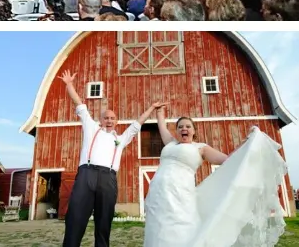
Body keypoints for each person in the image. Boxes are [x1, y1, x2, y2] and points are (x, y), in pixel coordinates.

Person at [144, 109, 287, 246]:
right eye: (180, 127)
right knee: (156, 230)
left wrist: (247, 142)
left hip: (180, 195)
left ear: (194, 131)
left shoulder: (201, 148)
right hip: (158, 195)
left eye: (188, 126)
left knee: (179, 230)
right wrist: (159, 111)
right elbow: (162, 126)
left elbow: (229, 159)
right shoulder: (171, 143)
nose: (183, 129)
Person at [59, 70, 163, 247]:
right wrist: (69, 84)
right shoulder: (91, 128)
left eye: (112, 118)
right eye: (106, 117)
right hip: (86, 175)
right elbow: (79, 103)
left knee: (104, 221)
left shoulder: (120, 139)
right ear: (100, 120)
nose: (109, 120)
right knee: (76, 217)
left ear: (116, 121)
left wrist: (152, 108)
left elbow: (138, 124)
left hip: (108, 178)